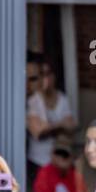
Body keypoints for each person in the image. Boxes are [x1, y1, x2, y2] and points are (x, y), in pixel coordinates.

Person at [26, 56, 76, 185]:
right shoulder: (34, 101)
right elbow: (39, 132)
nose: (45, 78)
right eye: (41, 75)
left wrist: (50, 127)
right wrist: (60, 125)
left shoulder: (62, 99)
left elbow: (71, 127)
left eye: (48, 73)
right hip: (38, 162)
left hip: (60, 162)